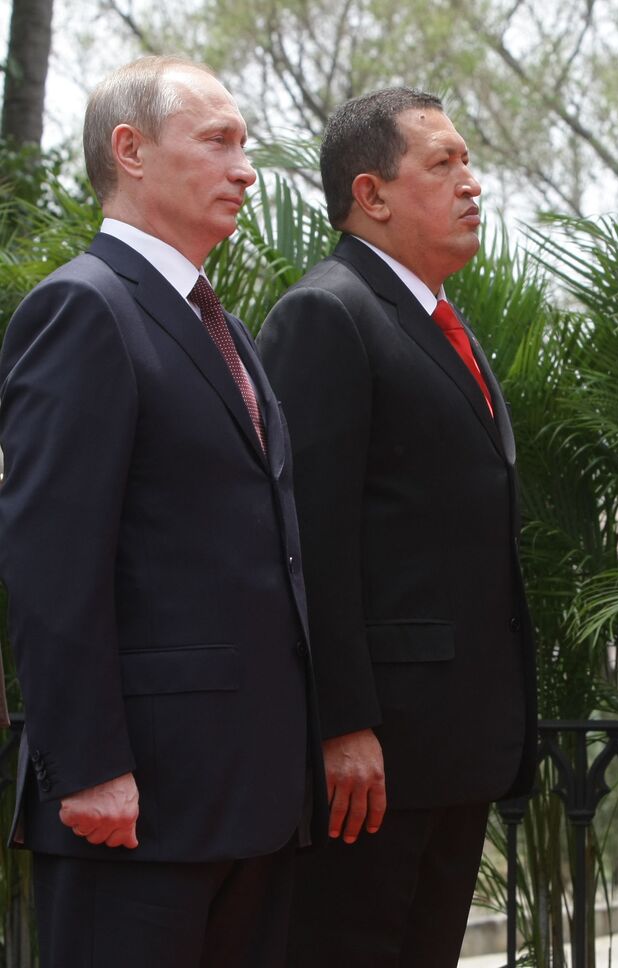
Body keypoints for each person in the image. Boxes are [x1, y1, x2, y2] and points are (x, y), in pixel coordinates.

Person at [0, 56, 323, 967]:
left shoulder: (218, 324)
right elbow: (52, 562)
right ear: (130, 151)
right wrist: (92, 765)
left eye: (247, 145)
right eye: (218, 141)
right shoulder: (83, 306)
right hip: (137, 804)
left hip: (247, 798)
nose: (246, 169)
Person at [257, 87, 537, 967]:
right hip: (376, 759)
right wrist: (343, 723)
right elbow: (310, 539)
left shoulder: (444, 322)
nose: (472, 184)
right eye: (444, 163)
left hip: (455, 745)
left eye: (469, 161)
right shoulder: (326, 312)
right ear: (371, 194)